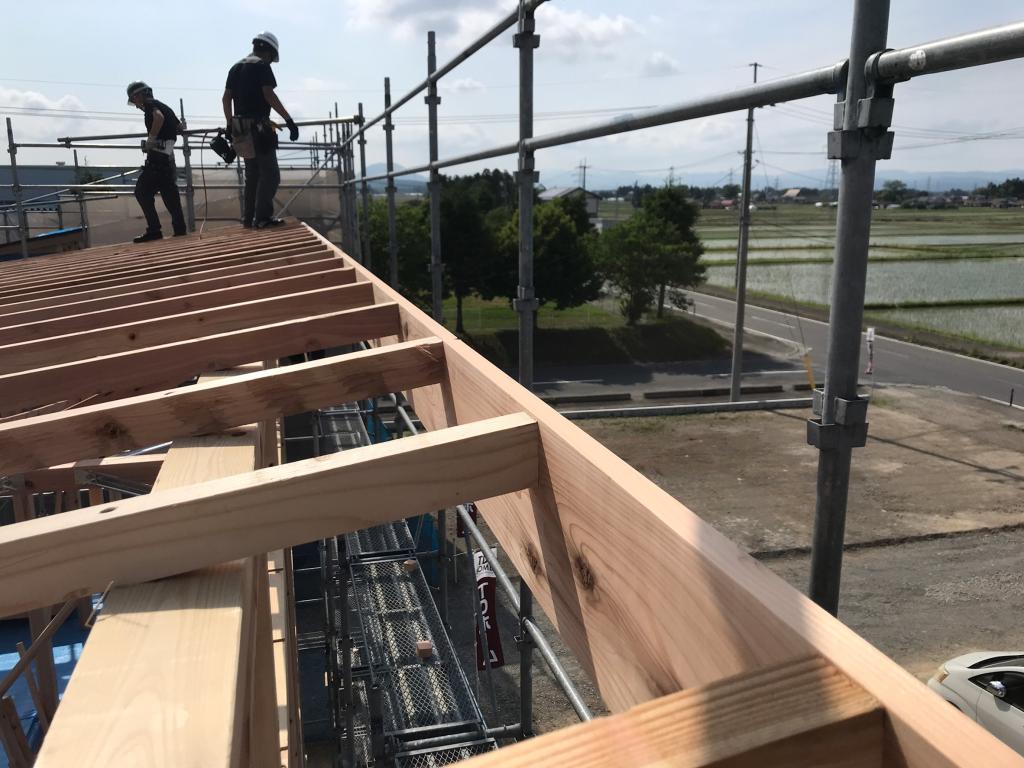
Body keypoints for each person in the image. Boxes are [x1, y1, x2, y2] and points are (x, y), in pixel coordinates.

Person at [222, 31, 299, 229]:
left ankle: (249, 220)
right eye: (272, 57)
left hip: (240, 129)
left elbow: (226, 98)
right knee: (271, 175)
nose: (271, 60)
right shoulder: (262, 65)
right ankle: (263, 218)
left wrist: (230, 124)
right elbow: (268, 94)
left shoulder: (235, 67)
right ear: (269, 51)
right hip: (259, 128)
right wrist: (288, 120)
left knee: (253, 176)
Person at [126, 81, 187, 243]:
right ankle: (180, 230)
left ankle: (154, 230)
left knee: (142, 192)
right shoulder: (165, 106)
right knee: (170, 195)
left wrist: (151, 139)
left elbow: (158, 118)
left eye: (134, 99)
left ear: (140, 95)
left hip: (157, 158)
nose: (136, 105)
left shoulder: (150, 105)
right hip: (167, 158)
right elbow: (180, 128)